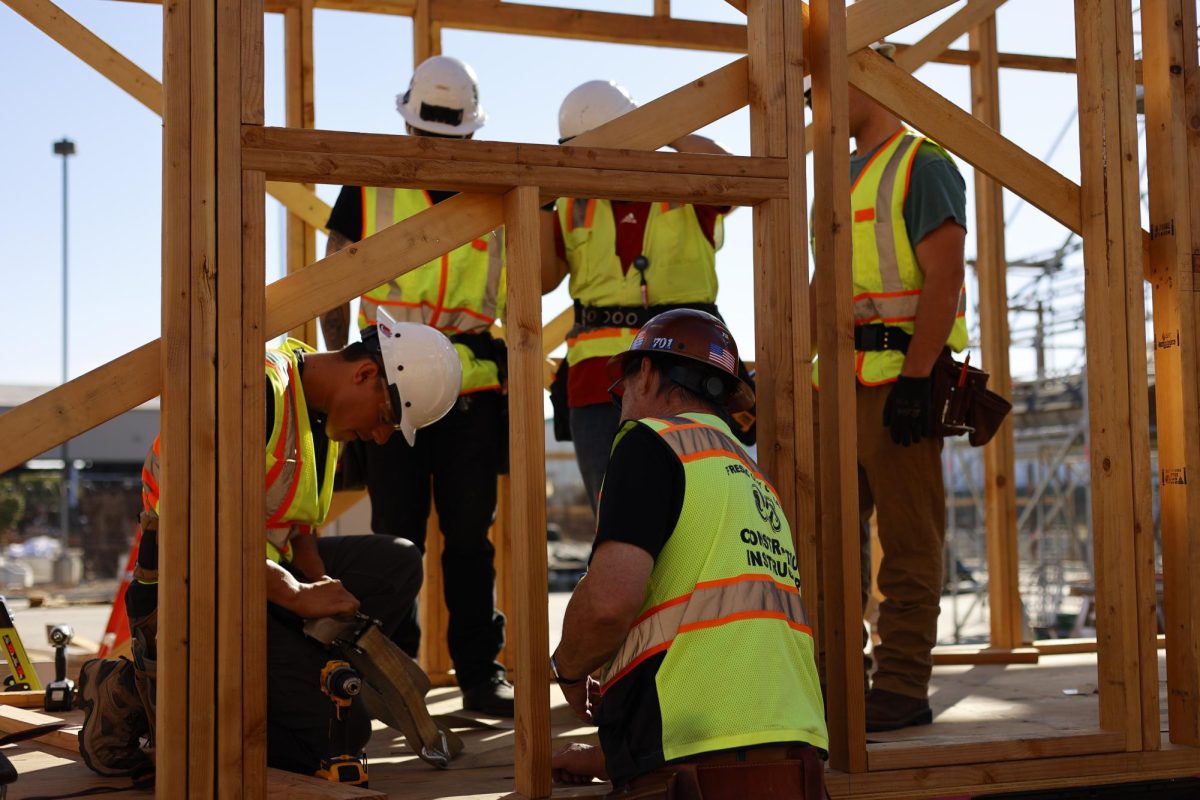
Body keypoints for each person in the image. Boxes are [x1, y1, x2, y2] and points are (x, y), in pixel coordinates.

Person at [77, 309, 463, 779]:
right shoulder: (256, 389)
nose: (382, 437)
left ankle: (291, 680)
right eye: (386, 418)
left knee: (397, 561)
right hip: (197, 591)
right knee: (340, 734)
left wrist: (317, 577)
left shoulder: (320, 410)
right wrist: (298, 596)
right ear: (365, 374)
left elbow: (296, 522)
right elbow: (202, 532)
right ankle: (135, 699)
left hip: (260, 583)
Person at [548, 310, 828, 798]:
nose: (620, 409)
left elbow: (609, 604)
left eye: (622, 390)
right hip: (794, 756)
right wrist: (611, 756)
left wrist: (568, 669)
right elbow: (725, 640)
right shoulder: (751, 476)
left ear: (649, 374)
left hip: (692, 756)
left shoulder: (651, 442)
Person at [320, 55, 514, 716]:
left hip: (470, 388)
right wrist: (339, 375)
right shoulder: (370, 186)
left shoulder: (494, 193)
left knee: (468, 538)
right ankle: (393, 673)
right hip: (385, 389)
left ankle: (479, 675)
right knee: (394, 538)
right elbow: (332, 280)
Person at [809, 42, 968, 731]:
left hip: (896, 384)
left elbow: (945, 277)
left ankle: (902, 687)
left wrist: (915, 378)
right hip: (836, 388)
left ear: (865, 82)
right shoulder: (837, 175)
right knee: (827, 546)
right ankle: (840, 680)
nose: (816, 100)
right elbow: (823, 288)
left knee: (908, 545)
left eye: (826, 85)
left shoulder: (922, 163)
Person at [541, 79, 743, 515]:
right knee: (613, 514)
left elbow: (737, 177)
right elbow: (540, 279)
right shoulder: (569, 201)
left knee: (702, 507)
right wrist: (538, 197)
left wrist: (666, 128)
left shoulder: (684, 180)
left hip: (686, 374)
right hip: (598, 383)